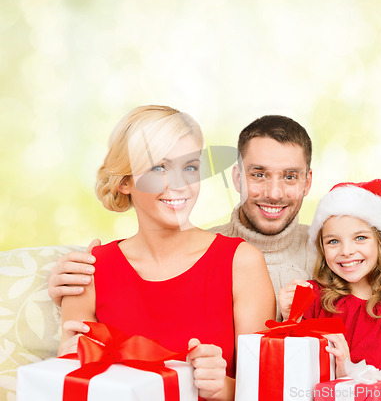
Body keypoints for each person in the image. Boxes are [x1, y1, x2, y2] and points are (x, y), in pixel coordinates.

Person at [58, 105, 275, 401]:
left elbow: (264, 391)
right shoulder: (89, 271)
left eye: (190, 167)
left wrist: (220, 387)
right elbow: (71, 384)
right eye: (159, 167)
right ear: (125, 182)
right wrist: (69, 361)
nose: (180, 184)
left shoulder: (242, 262)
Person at [49, 115, 317, 316]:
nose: (274, 192)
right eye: (259, 174)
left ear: (307, 182)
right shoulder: (207, 255)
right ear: (237, 178)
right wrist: (65, 290)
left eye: (290, 176)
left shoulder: (338, 252)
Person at [279, 179, 381, 377]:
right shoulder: (311, 296)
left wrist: (346, 370)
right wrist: (290, 318)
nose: (346, 251)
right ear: (322, 248)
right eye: (333, 241)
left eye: (360, 238)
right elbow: (289, 373)